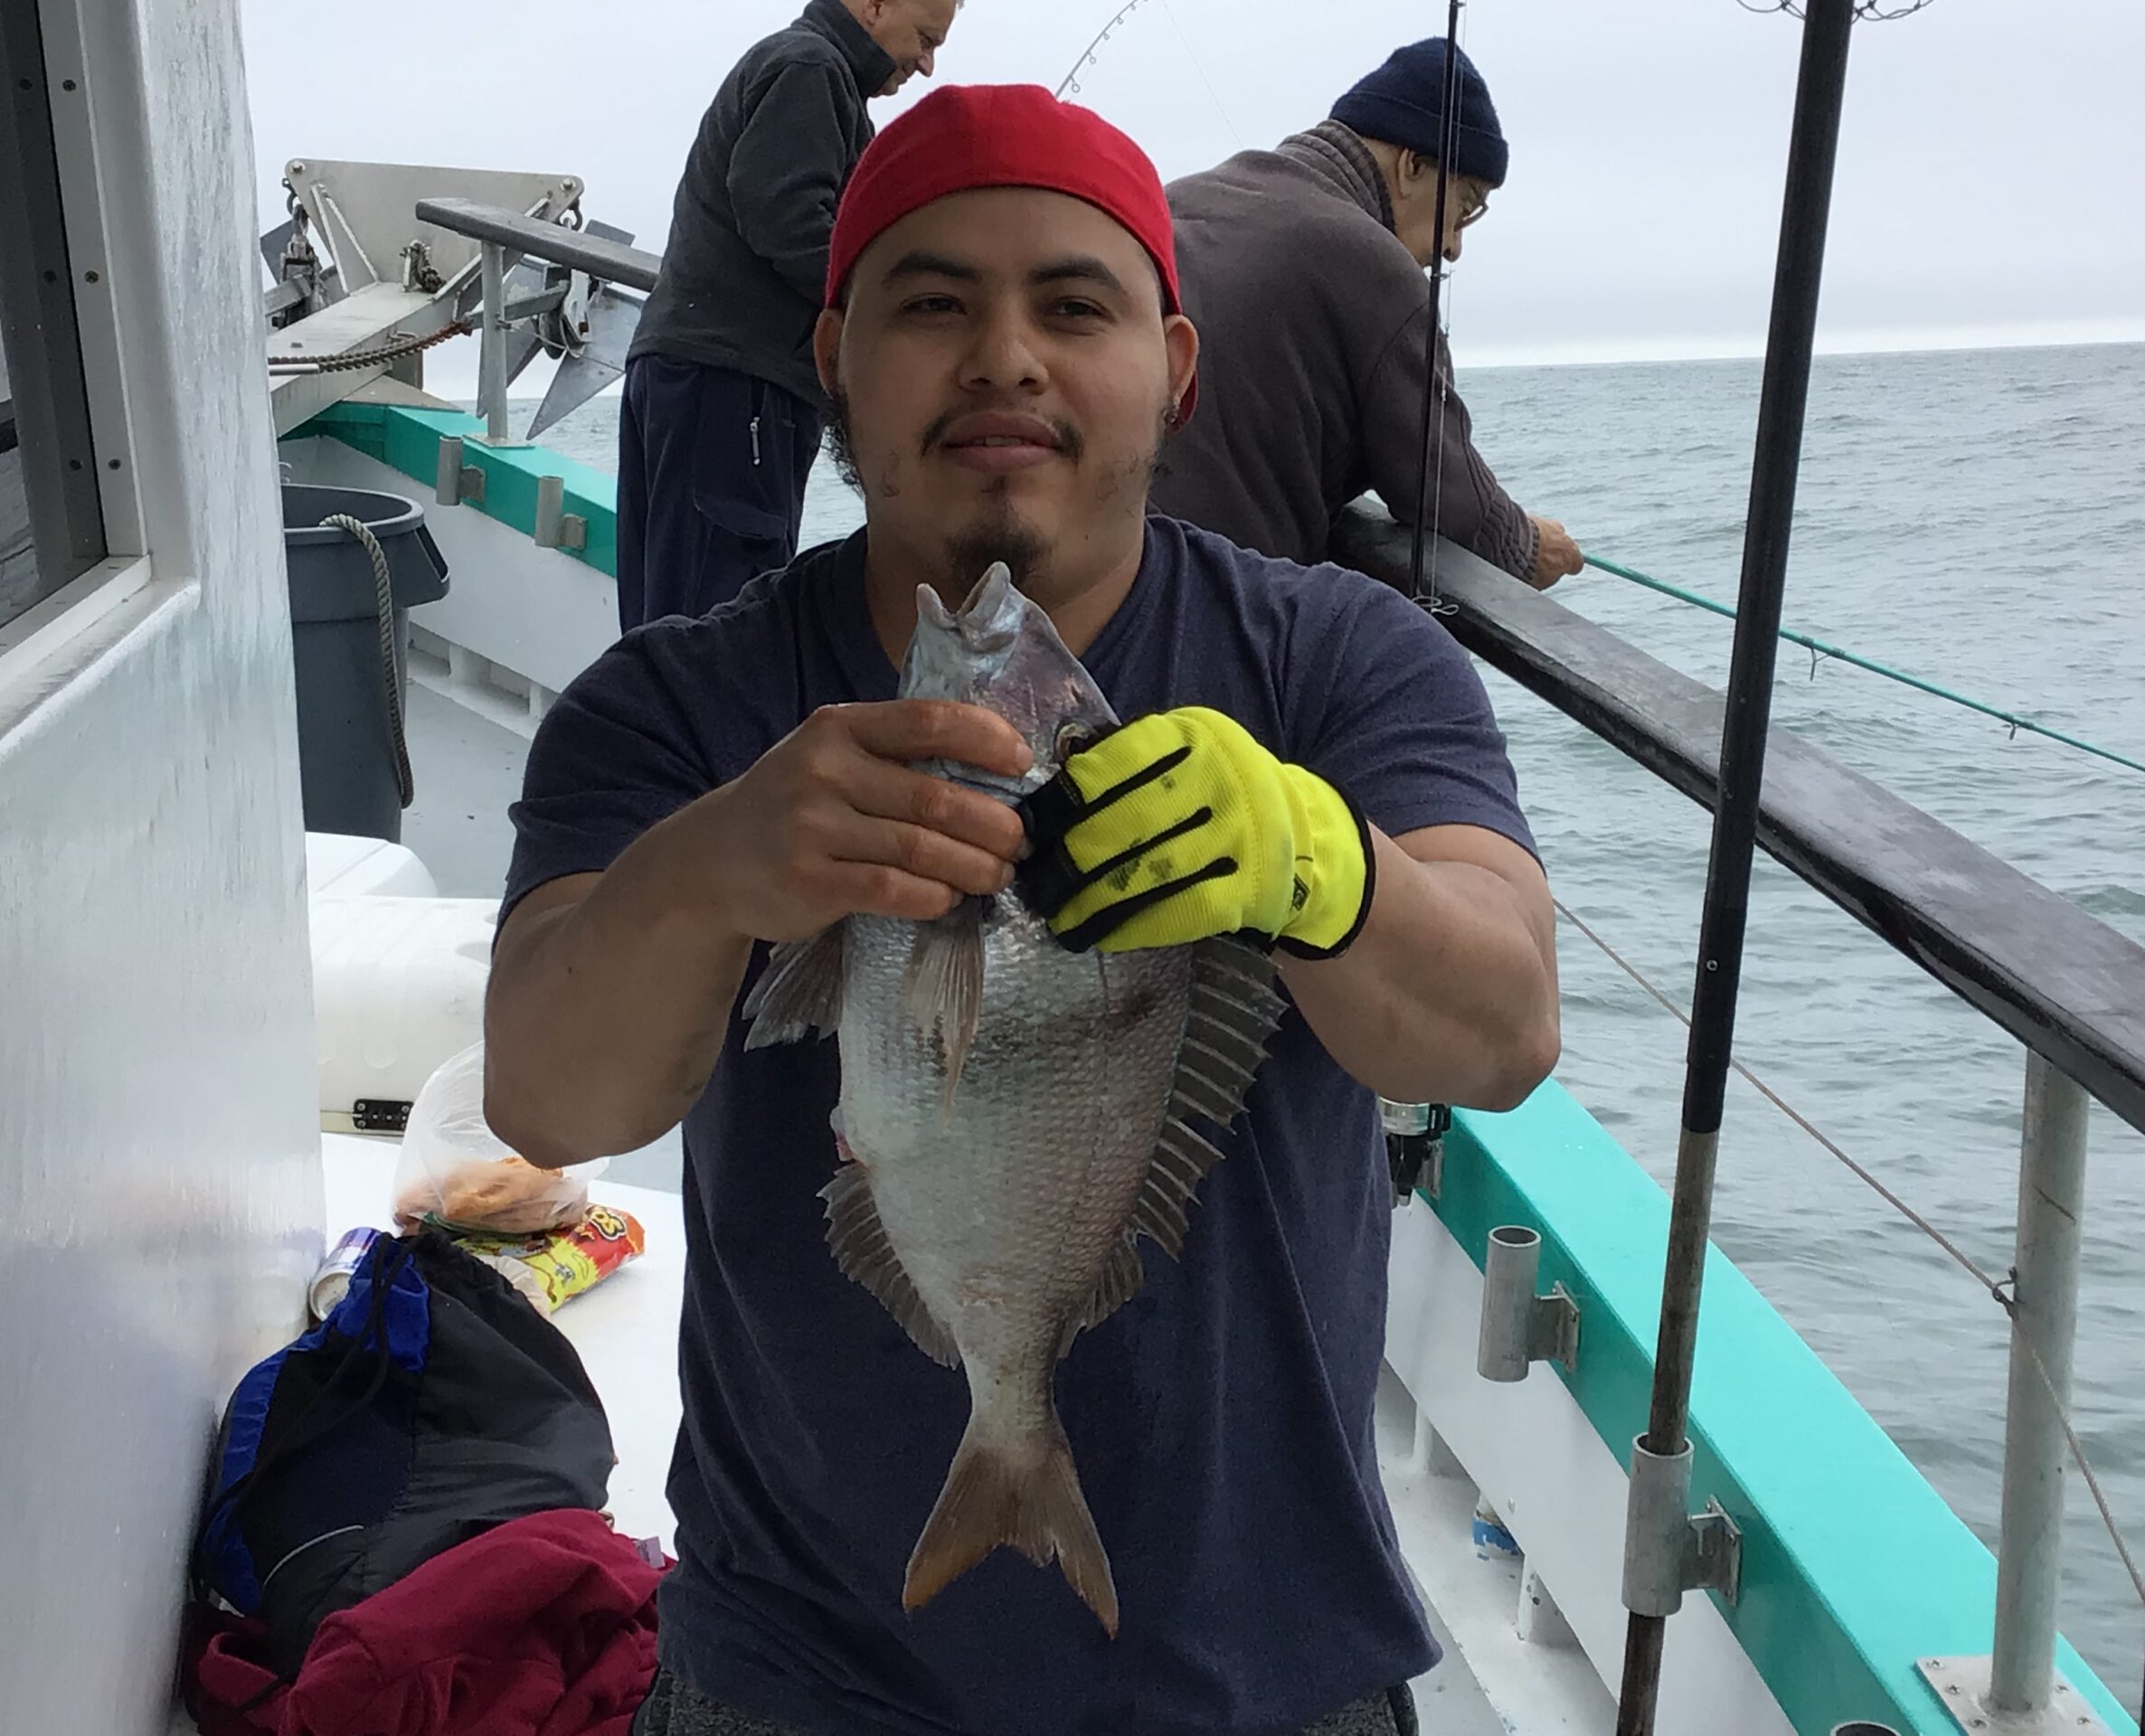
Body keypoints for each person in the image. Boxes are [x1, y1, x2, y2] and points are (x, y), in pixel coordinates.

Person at [485, 82, 1561, 1736]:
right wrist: (711, 871)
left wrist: (1325, 867)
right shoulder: (675, 707)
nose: (1005, 356)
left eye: (1075, 304)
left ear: (1175, 369)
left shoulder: (1341, 660)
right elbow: (556, 1101)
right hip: (796, 1679)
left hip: (1270, 1676)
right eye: (934, 305)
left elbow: (1501, 1032)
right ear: (834, 356)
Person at [1150, 38, 1583, 590]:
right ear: (1411, 167)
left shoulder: (1176, 203)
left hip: (1079, 588)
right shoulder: (1375, 267)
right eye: (1464, 209)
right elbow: (1446, 500)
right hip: (1207, 605)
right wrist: (1527, 546)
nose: (1453, 247)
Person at [616, 0, 960, 631]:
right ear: (874, 6)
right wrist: (890, 313)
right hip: (737, 388)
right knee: (717, 626)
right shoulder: (810, 68)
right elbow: (785, 217)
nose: (928, 65)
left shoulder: (806, 70)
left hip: (695, 376)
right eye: (925, 39)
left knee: (666, 612)